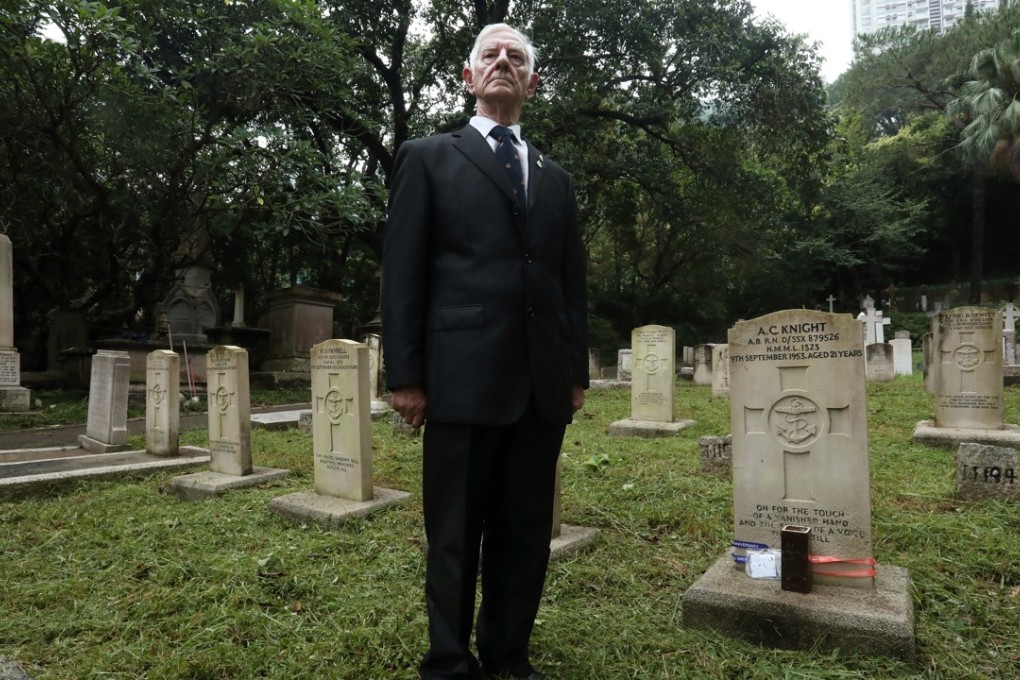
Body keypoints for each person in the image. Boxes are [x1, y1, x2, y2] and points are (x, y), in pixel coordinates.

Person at [381, 22, 588, 680]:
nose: (503, 63)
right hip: (459, 379)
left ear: (533, 81)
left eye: (516, 57)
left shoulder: (556, 179)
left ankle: (507, 657)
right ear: (468, 78)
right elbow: (403, 273)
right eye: (490, 56)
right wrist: (406, 377)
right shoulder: (427, 157)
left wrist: (575, 373)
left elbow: (570, 286)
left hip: (540, 385)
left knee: (525, 536)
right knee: (454, 535)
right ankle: (448, 661)